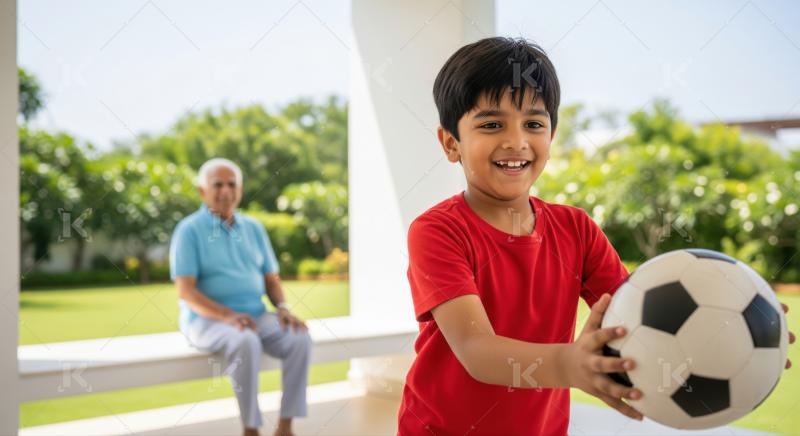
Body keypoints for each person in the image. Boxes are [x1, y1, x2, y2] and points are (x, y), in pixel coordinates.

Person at [396, 36, 795, 435]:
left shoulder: (576, 229)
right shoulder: (438, 232)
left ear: (550, 137)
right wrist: (569, 364)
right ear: (451, 143)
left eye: (533, 123)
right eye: (491, 124)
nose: (516, 141)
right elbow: (476, 351)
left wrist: (740, 333)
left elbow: (636, 315)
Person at [170, 158, 310, 436]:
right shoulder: (189, 230)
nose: (225, 190)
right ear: (202, 191)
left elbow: (271, 278)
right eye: (217, 184)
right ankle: (251, 428)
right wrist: (227, 316)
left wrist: (282, 307)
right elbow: (185, 291)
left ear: (241, 189)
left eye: (232, 184)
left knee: (299, 337)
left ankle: (285, 426)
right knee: (245, 340)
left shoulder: (254, 228)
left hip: (256, 315)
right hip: (206, 320)